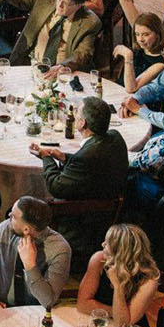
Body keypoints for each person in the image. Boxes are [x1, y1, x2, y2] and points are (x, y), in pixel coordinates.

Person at [32, 96, 129, 262]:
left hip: (82, 226)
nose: (74, 115)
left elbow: (55, 186)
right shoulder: (115, 137)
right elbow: (94, 166)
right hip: (106, 216)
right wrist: (64, 157)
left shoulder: (85, 157)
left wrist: (45, 157)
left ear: (83, 123)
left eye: (77, 113)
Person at [0, 196, 72, 310]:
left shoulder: (59, 249)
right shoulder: (5, 228)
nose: (9, 215)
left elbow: (48, 301)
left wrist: (30, 266)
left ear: (26, 229)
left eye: (14, 216)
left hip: (35, 312)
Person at [75, 223, 161, 327]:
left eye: (107, 243)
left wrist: (118, 287)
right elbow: (82, 305)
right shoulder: (99, 260)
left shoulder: (149, 280)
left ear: (120, 251)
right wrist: (115, 312)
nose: (102, 244)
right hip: (101, 323)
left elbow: (123, 325)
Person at [6, 0, 103, 72]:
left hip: (60, 71)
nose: (59, 5)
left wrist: (62, 67)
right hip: (31, 63)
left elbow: (82, 54)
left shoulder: (90, 22)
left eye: (66, 3)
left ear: (78, 5)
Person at [113, 13, 164, 92]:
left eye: (145, 34)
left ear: (157, 34)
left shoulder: (160, 62)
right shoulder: (137, 51)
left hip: (137, 101)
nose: (140, 39)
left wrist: (128, 56)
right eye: (137, 34)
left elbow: (131, 88)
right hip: (119, 92)